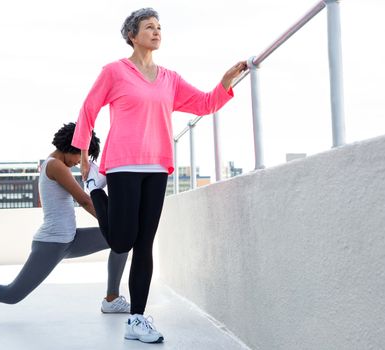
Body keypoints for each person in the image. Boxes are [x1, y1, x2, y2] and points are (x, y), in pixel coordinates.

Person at [71, 8, 247, 344]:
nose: (156, 31)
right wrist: (83, 155)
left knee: (144, 245)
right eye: (149, 27)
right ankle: (95, 187)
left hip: (157, 166)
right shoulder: (114, 72)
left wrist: (224, 83)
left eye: (159, 27)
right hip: (122, 164)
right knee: (121, 241)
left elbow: (205, 103)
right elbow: (88, 108)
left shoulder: (170, 79)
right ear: (132, 35)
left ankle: (137, 319)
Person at [0, 123, 130, 321]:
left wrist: (117, 226)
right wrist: (113, 222)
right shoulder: (56, 166)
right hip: (52, 243)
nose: (80, 162)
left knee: (121, 240)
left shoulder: (55, 164)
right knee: (11, 294)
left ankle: (111, 299)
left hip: (71, 239)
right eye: (81, 155)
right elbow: (85, 200)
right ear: (72, 146)